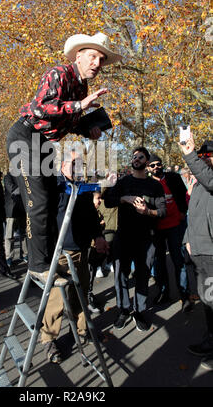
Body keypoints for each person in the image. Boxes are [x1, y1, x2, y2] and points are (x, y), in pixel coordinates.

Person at [6, 32, 121, 286]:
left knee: (48, 203)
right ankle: (37, 266)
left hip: (46, 143)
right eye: (93, 57)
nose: (97, 64)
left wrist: (86, 128)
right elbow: (41, 107)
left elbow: (65, 121)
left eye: (101, 60)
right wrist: (79, 105)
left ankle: (48, 260)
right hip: (24, 137)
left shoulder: (82, 87)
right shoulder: (58, 73)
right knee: (37, 202)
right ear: (78, 56)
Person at [40, 154, 108, 363]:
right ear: (62, 167)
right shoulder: (54, 187)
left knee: (81, 292)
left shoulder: (83, 187)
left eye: (80, 165)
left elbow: (90, 215)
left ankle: (81, 330)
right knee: (57, 298)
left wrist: (98, 236)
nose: (77, 169)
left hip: (82, 249)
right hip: (61, 252)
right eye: (73, 165)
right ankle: (49, 339)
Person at [103, 147, 166, 332]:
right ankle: (123, 309)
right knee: (120, 275)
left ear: (146, 163)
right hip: (124, 236)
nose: (136, 159)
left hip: (146, 239)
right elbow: (108, 201)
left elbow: (162, 211)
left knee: (142, 275)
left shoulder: (154, 185)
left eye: (140, 157)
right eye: (134, 157)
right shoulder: (123, 182)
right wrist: (124, 198)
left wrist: (147, 211)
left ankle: (139, 311)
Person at [179, 136, 213, 371]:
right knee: (208, 301)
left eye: (208, 154)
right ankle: (211, 340)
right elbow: (193, 215)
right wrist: (188, 240)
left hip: (211, 252)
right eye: (203, 155)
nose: (205, 157)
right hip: (199, 251)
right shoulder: (199, 184)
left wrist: (190, 155)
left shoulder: (208, 180)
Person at [147, 154, 192, 312]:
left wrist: (182, 211)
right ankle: (164, 292)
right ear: (148, 168)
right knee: (159, 263)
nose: (156, 167)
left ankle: (185, 295)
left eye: (158, 164)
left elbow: (184, 196)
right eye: (152, 165)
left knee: (178, 261)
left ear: (162, 164)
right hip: (157, 229)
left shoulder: (173, 177)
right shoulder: (147, 183)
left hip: (175, 225)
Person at [4, 171, 26, 269]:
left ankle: (24, 254)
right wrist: (25, 189)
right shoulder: (8, 177)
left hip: (22, 209)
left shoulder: (24, 176)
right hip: (11, 211)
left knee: (24, 234)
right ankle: (9, 257)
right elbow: (13, 190)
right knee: (9, 236)